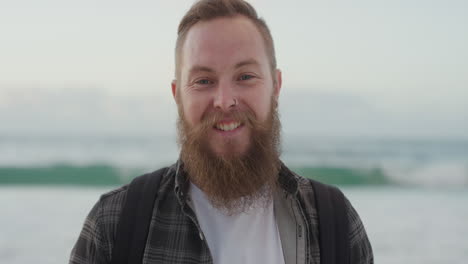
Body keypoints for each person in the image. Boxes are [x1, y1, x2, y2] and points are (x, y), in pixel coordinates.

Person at [69, 0, 373, 263]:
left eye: (245, 76)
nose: (225, 101)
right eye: (203, 80)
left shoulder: (334, 224)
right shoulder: (115, 223)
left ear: (276, 86)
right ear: (177, 94)